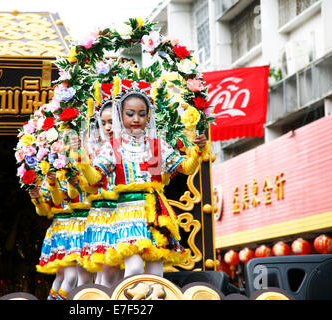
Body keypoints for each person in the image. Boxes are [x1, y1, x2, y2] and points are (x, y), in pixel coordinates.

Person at [76, 81, 208, 278]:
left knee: (156, 272)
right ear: (121, 115)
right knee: (135, 267)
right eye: (130, 114)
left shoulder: (158, 145)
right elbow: (95, 177)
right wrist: (81, 159)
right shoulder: (113, 146)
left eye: (141, 114)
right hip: (127, 213)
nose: (136, 119)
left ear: (149, 116)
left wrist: (197, 150)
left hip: (154, 212)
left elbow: (187, 168)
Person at [78, 100, 122, 288]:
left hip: (128, 212)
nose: (107, 127)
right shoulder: (101, 150)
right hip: (105, 214)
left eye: (111, 121)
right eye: (103, 123)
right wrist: (81, 158)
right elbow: (92, 184)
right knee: (107, 273)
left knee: (122, 273)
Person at [30, 173, 94, 300]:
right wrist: (37, 199)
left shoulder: (85, 167)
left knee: (78, 275)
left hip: (83, 223)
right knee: (68, 276)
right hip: (66, 228)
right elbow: (44, 209)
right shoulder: (53, 172)